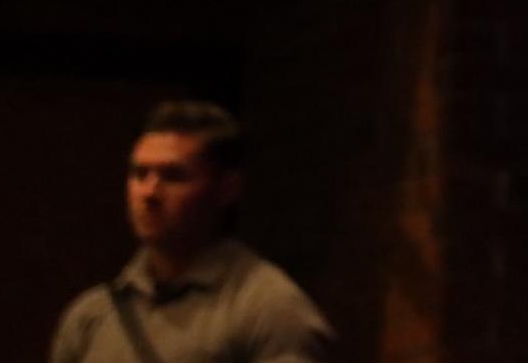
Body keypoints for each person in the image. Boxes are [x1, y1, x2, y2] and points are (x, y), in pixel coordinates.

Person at [50, 101, 334, 363]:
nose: (149, 192)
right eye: (140, 174)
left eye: (173, 176)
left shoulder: (268, 308)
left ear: (227, 189)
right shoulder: (91, 315)